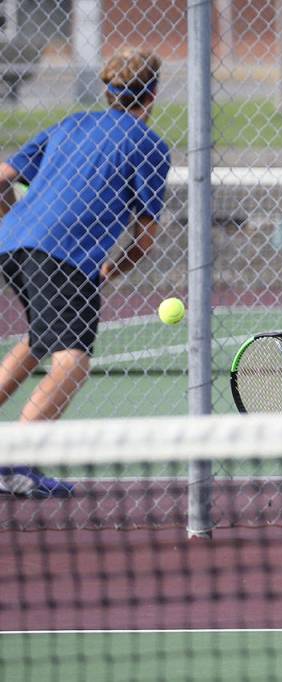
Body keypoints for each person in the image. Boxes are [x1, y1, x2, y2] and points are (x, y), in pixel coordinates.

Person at [0, 48, 170, 498]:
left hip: (10, 242)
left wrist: (14, 223)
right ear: (152, 95)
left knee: (37, 342)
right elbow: (144, 240)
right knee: (72, 362)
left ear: (108, 91)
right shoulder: (150, 145)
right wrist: (110, 268)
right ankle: (12, 464)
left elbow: (1, 177)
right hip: (67, 257)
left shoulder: (71, 124)